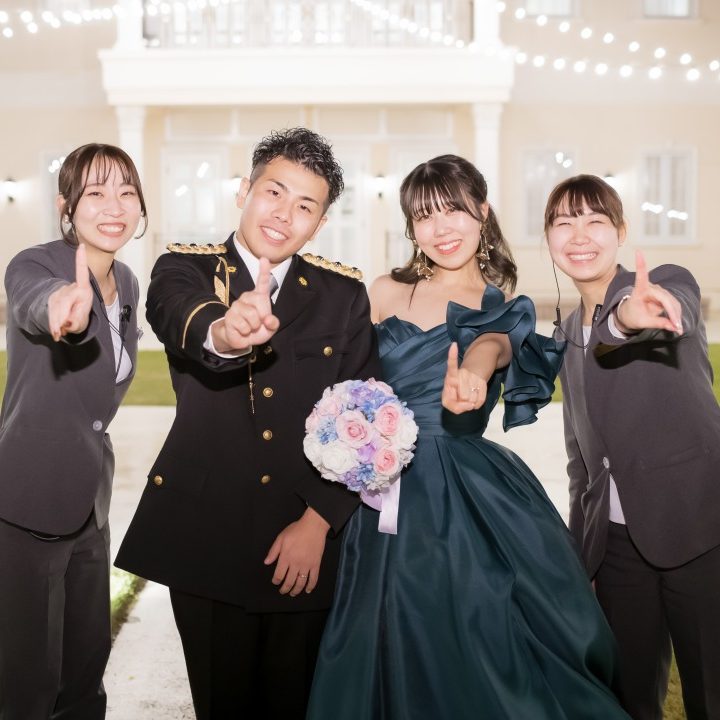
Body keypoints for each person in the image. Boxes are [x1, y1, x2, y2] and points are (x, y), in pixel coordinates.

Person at [307, 155, 629, 719]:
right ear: (411, 228)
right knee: (377, 628)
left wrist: (474, 378)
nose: (441, 227)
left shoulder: (502, 306)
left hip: (463, 492)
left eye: (453, 209)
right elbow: (344, 378)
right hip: (377, 488)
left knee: (475, 632)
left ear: (482, 211)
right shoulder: (383, 291)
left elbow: (490, 346)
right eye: (425, 215)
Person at [115, 127, 380, 719]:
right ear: (244, 191)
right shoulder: (183, 269)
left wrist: (318, 523)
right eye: (274, 192)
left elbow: (365, 415)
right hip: (208, 541)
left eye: (305, 206)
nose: (284, 215)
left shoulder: (342, 294)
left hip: (305, 547)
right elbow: (185, 319)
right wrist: (228, 333)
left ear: (320, 223)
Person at [545, 174, 720, 720]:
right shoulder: (565, 335)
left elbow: (659, 312)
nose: (579, 235)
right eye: (563, 223)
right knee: (629, 698)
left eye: (595, 220)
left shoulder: (663, 284)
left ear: (620, 231)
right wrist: (587, 555)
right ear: (548, 238)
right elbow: (581, 460)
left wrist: (624, 318)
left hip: (698, 528)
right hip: (617, 549)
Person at [0, 143, 145, 720]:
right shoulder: (34, 265)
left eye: (127, 192)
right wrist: (62, 305)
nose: (114, 206)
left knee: (85, 673)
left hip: (90, 503)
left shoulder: (127, 281)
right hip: (29, 499)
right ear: (66, 205)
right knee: (27, 682)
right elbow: (34, 301)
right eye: (95, 192)